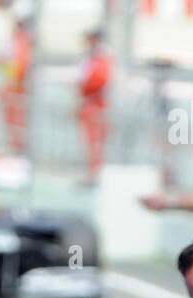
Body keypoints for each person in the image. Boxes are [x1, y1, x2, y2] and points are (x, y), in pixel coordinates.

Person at [77, 28, 112, 184]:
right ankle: (92, 173)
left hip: (96, 106)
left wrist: (85, 87)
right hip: (89, 105)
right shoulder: (91, 58)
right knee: (90, 142)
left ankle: (96, 174)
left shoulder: (102, 59)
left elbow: (97, 82)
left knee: (96, 143)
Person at [0, 16, 33, 155]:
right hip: (12, 88)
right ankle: (15, 150)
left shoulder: (22, 42)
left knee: (17, 123)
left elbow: (19, 67)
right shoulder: (19, 41)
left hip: (16, 89)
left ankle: (18, 151)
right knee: (13, 123)